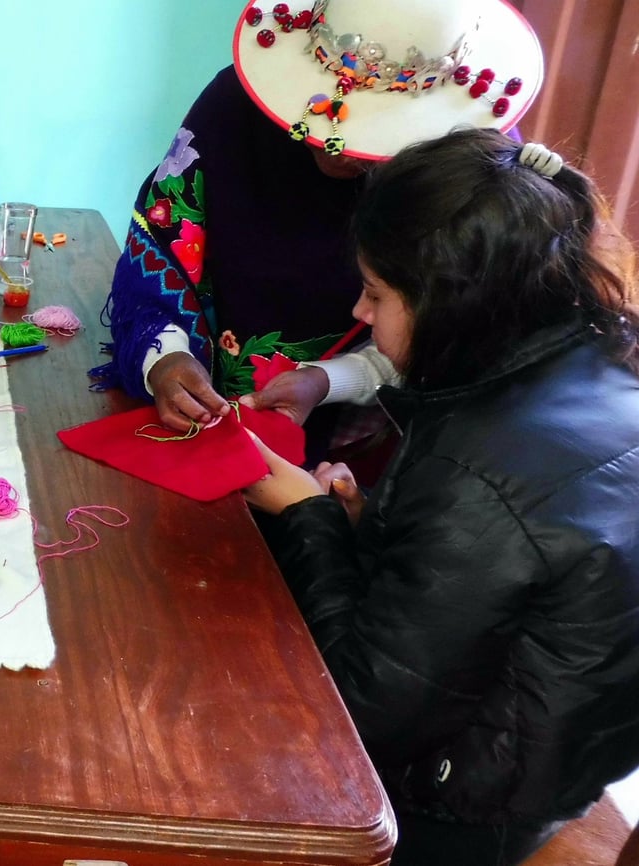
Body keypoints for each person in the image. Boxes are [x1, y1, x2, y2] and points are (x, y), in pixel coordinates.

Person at [241, 127, 639, 866]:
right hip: (565, 755)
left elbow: (360, 713)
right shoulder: (599, 360)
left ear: (455, 303)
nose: (359, 314)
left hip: (458, 806)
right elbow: (515, 580)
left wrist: (306, 515)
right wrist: (374, 525)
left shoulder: (474, 469)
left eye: (376, 294)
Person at [90, 0, 543, 462]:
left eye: (373, 131)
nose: (335, 147)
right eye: (319, 114)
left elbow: (456, 337)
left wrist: (329, 381)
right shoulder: (235, 107)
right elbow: (162, 247)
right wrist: (164, 355)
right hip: (202, 418)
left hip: (369, 448)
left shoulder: (472, 178)